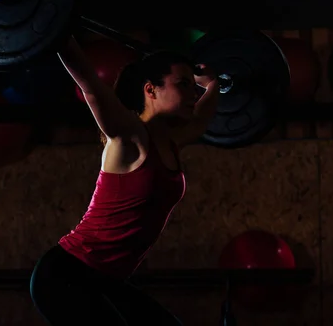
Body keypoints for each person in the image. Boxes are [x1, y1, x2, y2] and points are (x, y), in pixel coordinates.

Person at [30, 35, 219, 325]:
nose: (193, 93)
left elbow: (203, 117)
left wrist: (214, 85)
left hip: (104, 280)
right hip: (66, 276)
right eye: (183, 84)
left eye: (193, 87)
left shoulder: (170, 141)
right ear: (150, 90)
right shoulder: (131, 137)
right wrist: (59, 35)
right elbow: (92, 89)